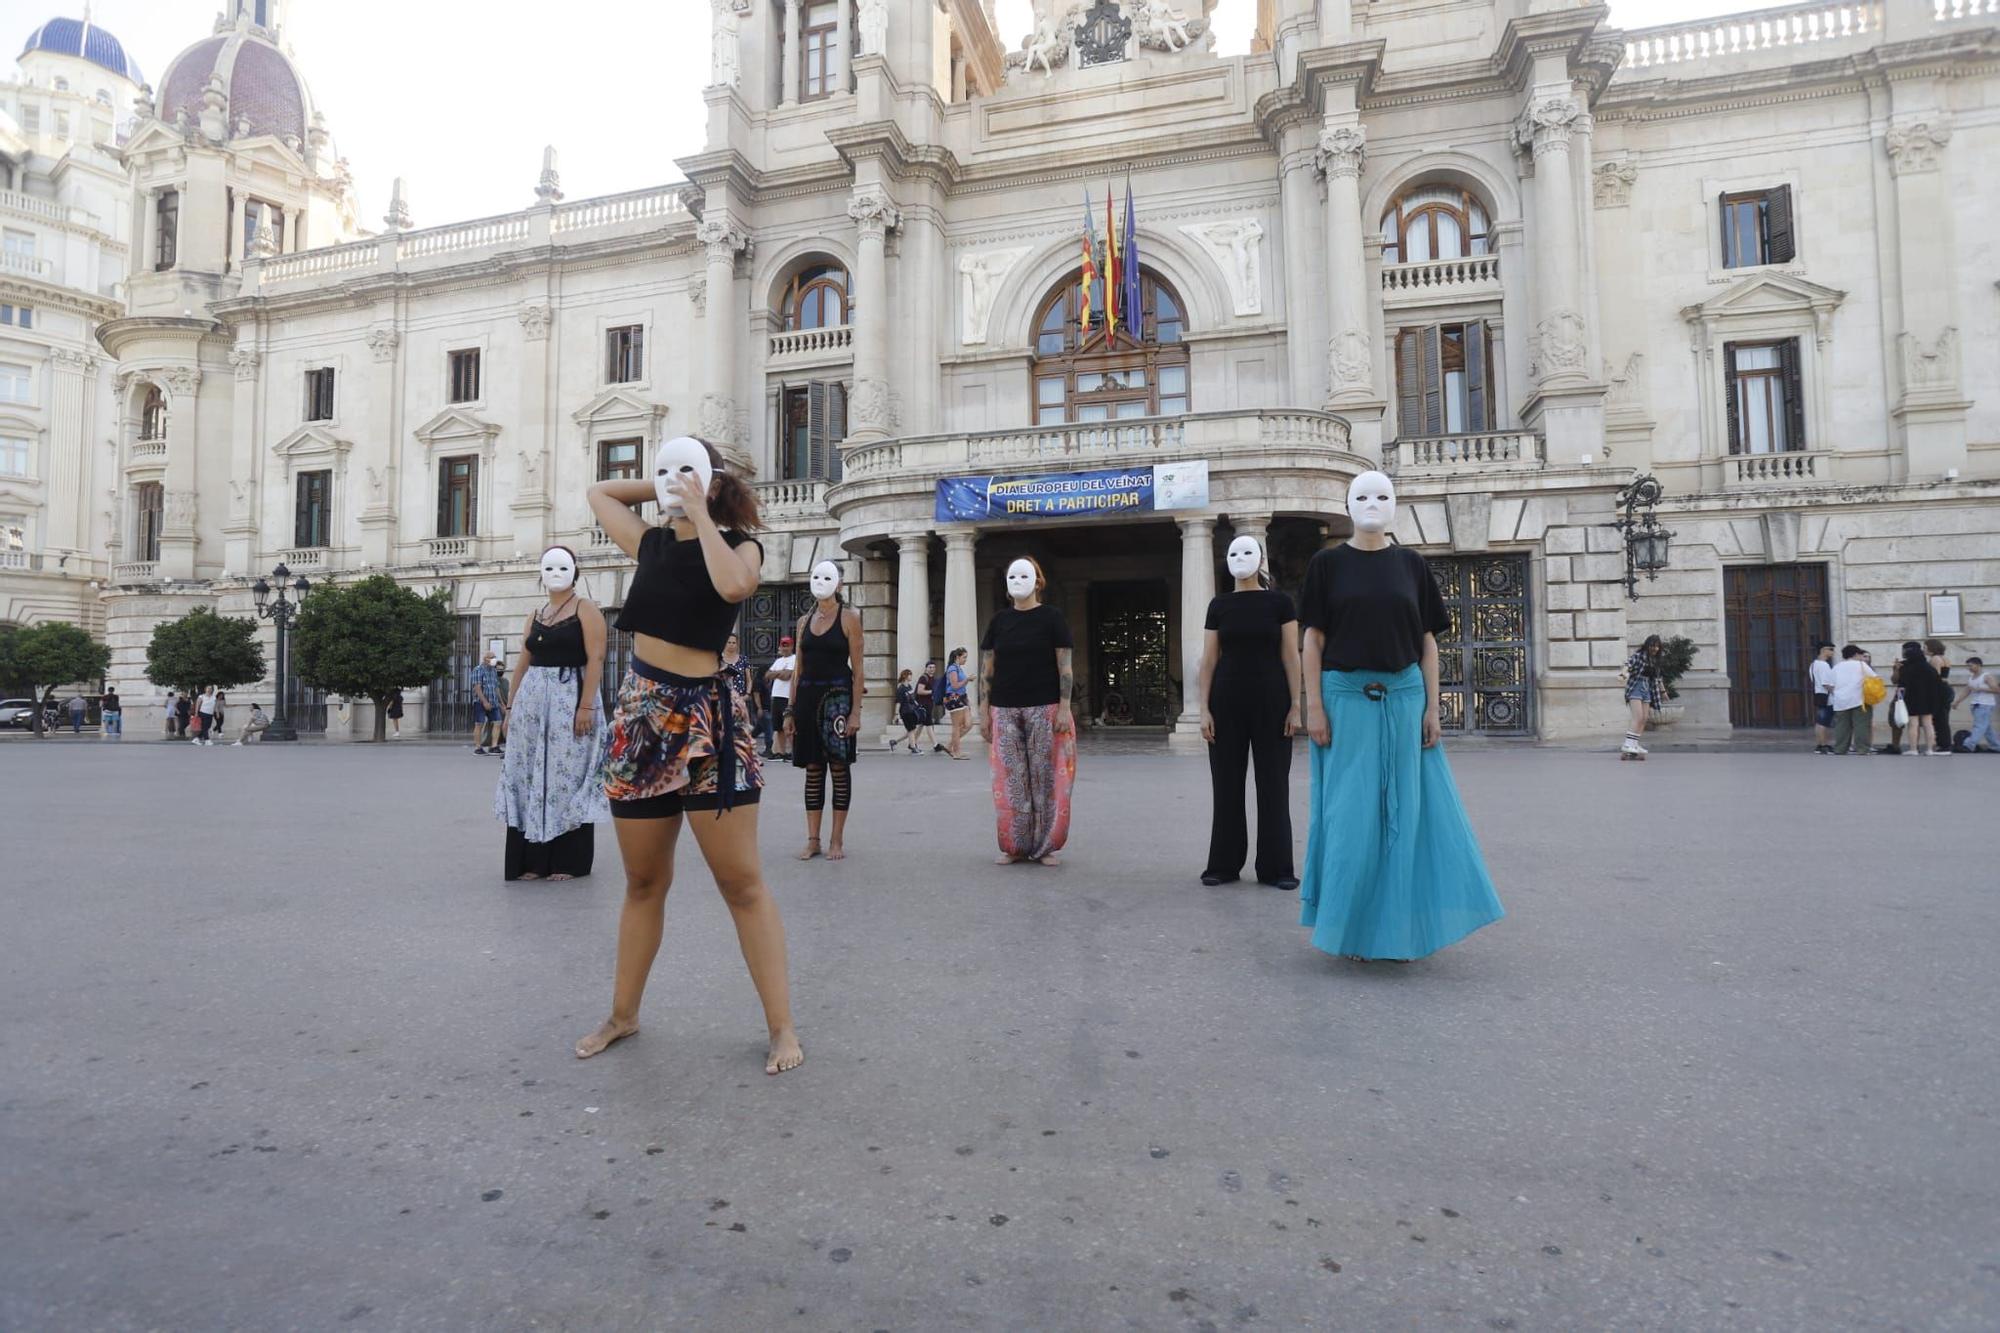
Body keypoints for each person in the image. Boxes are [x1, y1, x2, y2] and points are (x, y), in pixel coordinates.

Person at [579, 434, 801, 1075]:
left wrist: (703, 507)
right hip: (644, 716)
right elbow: (600, 493)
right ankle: (623, 1014)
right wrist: (666, 484)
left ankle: (782, 1028)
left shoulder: (738, 544)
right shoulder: (647, 543)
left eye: (689, 471)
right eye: (666, 472)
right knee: (643, 881)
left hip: (711, 718)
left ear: (713, 480)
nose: (674, 483)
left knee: (741, 883)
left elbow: (735, 589)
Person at [1298, 471, 1504, 962]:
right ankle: (1350, 927)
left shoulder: (1412, 564)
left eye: (1382, 495)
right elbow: (1313, 639)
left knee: (1405, 813)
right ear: (1348, 505)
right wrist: (1313, 706)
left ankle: (1398, 930)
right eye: (1362, 496)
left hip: (1406, 693)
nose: (1373, 503)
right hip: (1345, 697)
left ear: (1395, 504)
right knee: (1350, 816)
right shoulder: (1326, 565)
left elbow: (1428, 642)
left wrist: (1434, 707)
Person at [497, 545, 611, 882]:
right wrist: (510, 708)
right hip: (532, 705)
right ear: (541, 572)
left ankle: (567, 860)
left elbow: (597, 658)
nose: (556, 574)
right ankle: (532, 861)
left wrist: (586, 705)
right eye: (549, 568)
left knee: (566, 776)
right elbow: (521, 664)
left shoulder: (585, 608)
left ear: (575, 571)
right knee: (530, 776)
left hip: (569, 700)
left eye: (563, 567)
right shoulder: (536, 614)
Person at [1198, 533, 1302, 889]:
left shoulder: (1280, 603)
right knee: (1226, 785)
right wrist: (1203, 711)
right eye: (1233, 552)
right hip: (1226, 703)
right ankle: (1223, 865)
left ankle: (1277, 869)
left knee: (1273, 784)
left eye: (1247, 552)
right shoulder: (1219, 605)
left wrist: (1296, 705)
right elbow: (1209, 660)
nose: (1239, 557)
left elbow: (1291, 655)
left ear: (1260, 560)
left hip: (1272, 703)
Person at [980, 556, 1077, 866]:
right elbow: (987, 671)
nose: (1018, 581)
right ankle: (1015, 845)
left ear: (1038, 581)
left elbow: (1065, 667)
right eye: (1012, 576)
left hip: (1045, 707)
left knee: (1045, 778)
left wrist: (1064, 707)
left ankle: (1045, 846)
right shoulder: (999, 621)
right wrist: (983, 711)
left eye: (1025, 576)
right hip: (1004, 708)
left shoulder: (1052, 618)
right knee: (1010, 780)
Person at [791, 560, 864, 860]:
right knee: (812, 769)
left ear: (839, 585)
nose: (820, 582)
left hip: (838, 699)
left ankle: (836, 840)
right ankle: (812, 840)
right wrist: (790, 711)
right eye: (816, 576)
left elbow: (858, 671)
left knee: (838, 768)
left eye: (827, 577)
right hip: (808, 697)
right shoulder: (803, 622)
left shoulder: (849, 619)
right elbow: (799, 667)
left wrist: (856, 712)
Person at [1619, 634, 1667, 760]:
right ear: (1647, 645)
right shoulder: (1639, 656)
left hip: (1647, 689)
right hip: (1636, 687)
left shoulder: (1655, 660)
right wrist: (1624, 672)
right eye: (1652, 646)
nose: (1655, 649)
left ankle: (1634, 744)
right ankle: (1627, 744)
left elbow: (1658, 677)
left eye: (1657, 646)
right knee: (1638, 716)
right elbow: (1628, 663)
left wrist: (1663, 692)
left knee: (1644, 718)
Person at [1828, 644, 1878, 755]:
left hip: (1841, 701)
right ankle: (1862, 749)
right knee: (1861, 725)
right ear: (1855, 654)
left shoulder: (1837, 667)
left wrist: (1837, 693)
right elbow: (1875, 679)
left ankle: (1840, 749)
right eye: (1860, 654)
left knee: (1842, 726)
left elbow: (1829, 685)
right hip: (1860, 700)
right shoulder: (1862, 665)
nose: (1861, 656)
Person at [1896, 641, 1943, 756]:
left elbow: (1901, 684)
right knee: (1928, 724)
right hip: (1928, 698)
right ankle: (1930, 749)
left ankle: (1913, 749)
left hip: (1911, 697)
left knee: (1913, 724)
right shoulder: (1929, 667)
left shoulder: (1905, 667)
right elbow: (1937, 682)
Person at [1956, 656, 1998, 753]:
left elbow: (1997, 690)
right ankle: (1996, 746)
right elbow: (1967, 690)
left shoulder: (1987, 676)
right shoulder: (1971, 678)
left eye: (1971, 665)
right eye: (1968, 666)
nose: (1969, 668)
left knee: (1979, 726)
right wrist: (1957, 702)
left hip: (1985, 705)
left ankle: (1969, 745)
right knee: (1986, 727)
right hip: (1975, 705)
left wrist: (1981, 689)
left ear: (1978, 665)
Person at [940, 647, 972, 760]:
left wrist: (967, 700)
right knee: (957, 727)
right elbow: (954, 686)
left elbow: (960, 686)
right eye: (964, 657)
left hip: (962, 698)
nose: (966, 660)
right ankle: (956, 752)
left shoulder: (959, 668)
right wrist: (967, 680)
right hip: (954, 698)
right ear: (957, 657)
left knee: (968, 724)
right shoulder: (952, 669)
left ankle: (949, 746)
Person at [766, 635, 795, 759]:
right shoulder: (778, 661)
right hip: (776, 696)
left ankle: (795, 751)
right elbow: (767, 675)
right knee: (778, 728)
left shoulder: (794, 659)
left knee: (787, 726)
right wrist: (779, 673)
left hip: (787, 696)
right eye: (783, 645)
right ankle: (782, 752)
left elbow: (787, 676)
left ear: (792, 646)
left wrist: (775, 674)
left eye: (787, 645)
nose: (784, 648)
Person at [471, 654, 503, 755]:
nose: (494, 659)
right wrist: (484, 702)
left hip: (493, 701)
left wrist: (501, 703)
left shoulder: (493, 670)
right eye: (491, 657)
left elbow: (496, 688)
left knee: (498, 722)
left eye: (494, 657)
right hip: (480, 702)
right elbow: (477, 687)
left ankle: (494, 746)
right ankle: (478, 747)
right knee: (479, 724)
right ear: (485, 659)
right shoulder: (478, 670)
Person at [1926, 639, 1954, 754]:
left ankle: (1943, 746)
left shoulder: (1935, 659)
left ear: (1931, 648)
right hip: (1946, 688)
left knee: (1939, 719)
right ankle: (1945, 744)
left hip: (1939, 689)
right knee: (1944, 717)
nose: (1924, 649)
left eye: (1925, 647)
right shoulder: (1945, 658)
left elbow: (1935, 676)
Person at [1809, 641, 1836, 755]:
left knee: (1820, 721)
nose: (1832, 652)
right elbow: (1826, 684)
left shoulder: (1813, 664)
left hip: (1818, 694)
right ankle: (1823, 745)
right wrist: (1837, 693)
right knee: (1823, 722)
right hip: (1826, 696)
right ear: (1823, 650)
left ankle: (1820, 745)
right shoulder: (1824, 665)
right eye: (1830, 649)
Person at [892, 669, 925, 754]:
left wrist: (918, 706)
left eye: (911, 674)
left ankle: (894, 742)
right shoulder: (901, 688)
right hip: (905, 712)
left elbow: (912, 699)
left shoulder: (909, 687)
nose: (911, 676)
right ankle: (913, 747)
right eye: (909, 674)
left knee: (911, 730)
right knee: (911, 730)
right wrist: (896, 714)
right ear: (905, 676)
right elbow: (898, 702)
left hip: (912, 711)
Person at [915, 660, 941, 753]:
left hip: (929, 705)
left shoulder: (933, 678)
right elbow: (919, 691)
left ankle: (912, 744)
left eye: (933, 667)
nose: (932, 669)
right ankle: (936, 745)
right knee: (928, 725)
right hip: (923, 705)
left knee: (921, 726)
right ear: (926, 668)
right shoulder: (923, 678)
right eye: (930, 667)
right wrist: (931, 692)